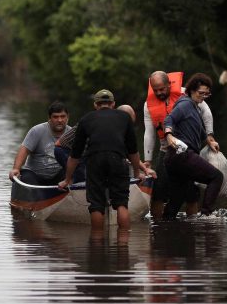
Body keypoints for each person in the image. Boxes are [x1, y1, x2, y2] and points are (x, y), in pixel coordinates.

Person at [59, 90, 155, 230]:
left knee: (96, 205)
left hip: (95, 161)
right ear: (113, 104)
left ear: (95, 105)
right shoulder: (124, 118)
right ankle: (123, 244)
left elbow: (75, 155)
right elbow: (133, 151)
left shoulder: (86, 119)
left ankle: (97, 242)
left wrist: (67, 179)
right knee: (122, 203)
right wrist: (136, 172)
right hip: (118, 160)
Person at [143, 71, 219, 219]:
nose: (159, 93)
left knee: (190, 194)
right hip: (166, 150)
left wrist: (209, 137)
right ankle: (159, 227)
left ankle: (192, 226)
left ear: (169, 84)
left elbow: (206, 113)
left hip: (187, 151)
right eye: (155, 90)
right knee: (159, 191)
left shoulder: (187, 94)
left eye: (162, 89)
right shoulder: (148, 105)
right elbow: (149, 133)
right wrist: (148, 160)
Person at [162, 73, 224, 218]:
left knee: (177, 199)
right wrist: (169, 135)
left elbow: (200, 131)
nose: (203, 96)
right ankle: (206, 216)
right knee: (216, 177)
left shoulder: (194, 108)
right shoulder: (185, 104)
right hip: (182, 155)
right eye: (200, 93)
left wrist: (210, 141)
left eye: (206, 94)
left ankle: (164, 228)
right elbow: (169, 120)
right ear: (191, 90)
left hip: (173, 159)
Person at [8, 101, 69, 186]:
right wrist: (16, 169)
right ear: (49, 118)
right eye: (55, 117)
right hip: (34, 175)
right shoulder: (37, 131)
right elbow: (24, 150)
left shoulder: (71, 133)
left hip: (59, 176)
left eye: (63, 116)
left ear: (67, 117)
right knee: (26, 178)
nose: (59, 120)